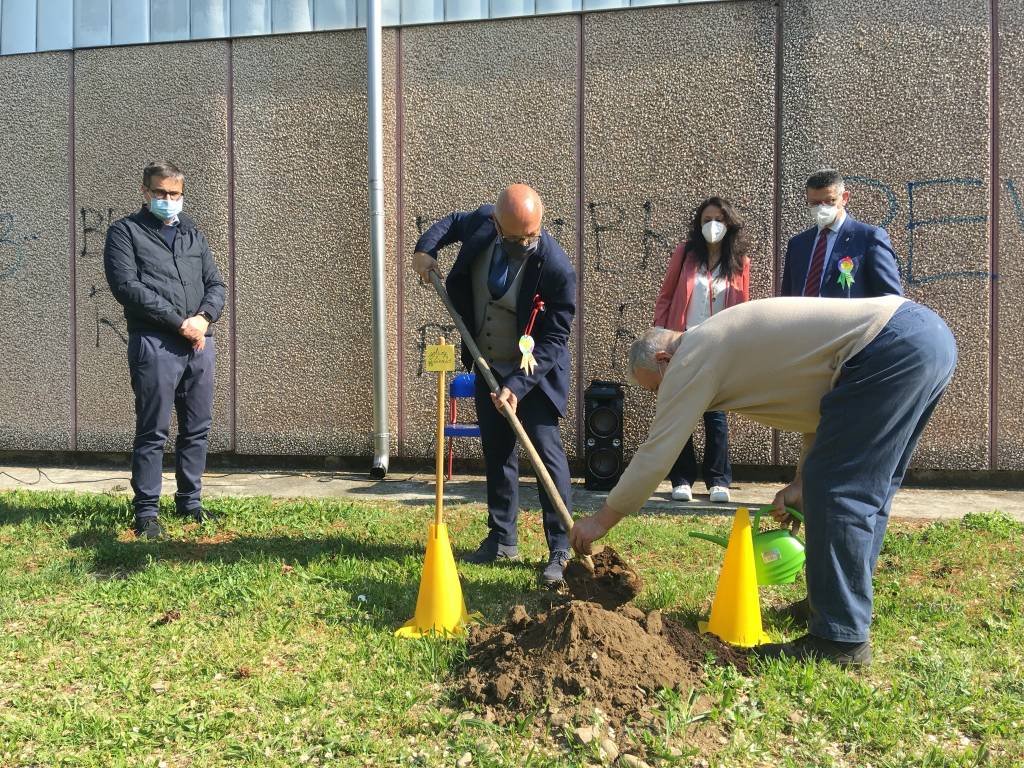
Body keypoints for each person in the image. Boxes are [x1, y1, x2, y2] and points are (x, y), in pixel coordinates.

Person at [569, 296, 957, 666]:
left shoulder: (693, 354)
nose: (661, 397)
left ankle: (840, 639)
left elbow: (657, 453)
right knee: (864, 489)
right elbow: (820, 411)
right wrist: (802, 481)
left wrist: (600, 520)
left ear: (664, 359)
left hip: (889, 347)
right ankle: (834, 607)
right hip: (922, 339)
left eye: (656, 387)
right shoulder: (721, 342)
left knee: (842, 492)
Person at [412, 184, 576, 586]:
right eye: (517, 238)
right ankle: (502, 537)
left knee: (546, 458)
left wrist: (517, 387)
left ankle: (561, 548)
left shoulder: (556, 268)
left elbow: (554, 340)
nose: (526, 244)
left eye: (532, 236)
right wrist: (425, 249)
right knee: (497, 451)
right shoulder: (483, 224)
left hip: (532, 374)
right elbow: (451, 223)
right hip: (487, 363)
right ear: (497, 225)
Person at [103, 161, 226, 539]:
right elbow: (127, 287)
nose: (167, 200)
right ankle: (147, 511)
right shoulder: (125, 232)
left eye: (174, 194)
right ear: (145, 192)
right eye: (160, 193)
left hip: (199, 344)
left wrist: (204, 317)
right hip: (155, 343)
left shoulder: (193, 234)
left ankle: (190, 501)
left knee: (197, 428)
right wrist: (180, 323)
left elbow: (216, 284)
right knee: (153, 429)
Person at [653, 196, 750, 504]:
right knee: (681, 411)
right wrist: (661, 337)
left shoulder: (739, 261)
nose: (713, 225)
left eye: (719, 220)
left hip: (719, 346)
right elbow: (666, 296)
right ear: (699, 223)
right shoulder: (685, 254)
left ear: (729, 224)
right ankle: (681, 479)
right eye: (707, 219)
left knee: (715, 415)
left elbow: (743, 308)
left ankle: (718, 480)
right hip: (683, 343)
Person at [781, 169, 903, 298]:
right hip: (803, 317)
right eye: (815, 203)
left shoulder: (869, 238)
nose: (822, 208)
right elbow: (788, 296)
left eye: (829, 201)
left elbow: (891, 297)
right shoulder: (797, 244)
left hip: (848, 317)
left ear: (844, 198)